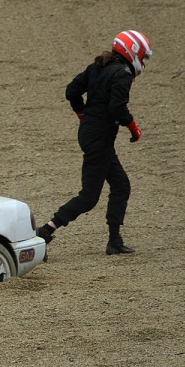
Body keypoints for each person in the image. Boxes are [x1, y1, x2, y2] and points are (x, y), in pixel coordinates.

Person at [36, 30, 152, 256]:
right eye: (143, 56)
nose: (144, 62)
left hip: (92, 136)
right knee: (88, 198)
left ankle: (114, 242)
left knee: (121, 185)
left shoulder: (97, 67)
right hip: (99, 140)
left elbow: (72, 91)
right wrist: (133, 126)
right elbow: (117, 108)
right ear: (133, 51)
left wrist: (82, 114)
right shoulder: (122, 74)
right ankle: (45, 231)